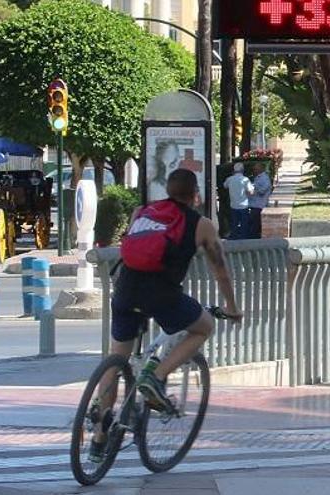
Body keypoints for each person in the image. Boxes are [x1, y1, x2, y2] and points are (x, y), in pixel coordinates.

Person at [91, 169, 243, 462]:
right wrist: (232, 307)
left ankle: (99, 435)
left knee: (117, 357)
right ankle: (156, 377)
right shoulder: (202, 225)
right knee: (204, 326)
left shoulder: (142, 212)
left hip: (125, 291)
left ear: (167, 190)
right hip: (162, 295)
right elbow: (220, 270)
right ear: (195, 194)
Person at [223, 162, 254, 240]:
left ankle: (234, 239)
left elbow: (225, 186)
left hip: (233, 205)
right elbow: (251, 192)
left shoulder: (229, 179)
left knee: (234, 224)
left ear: (234, 170)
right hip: (244, 206)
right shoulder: (245, 180)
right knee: (244, 225)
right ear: (242, 170)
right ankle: (243, 240)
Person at [248, 162, 273, 239]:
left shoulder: (264, 178)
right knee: (253, 224)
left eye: (256, 169)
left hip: (259, 205)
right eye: (254, 169)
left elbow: (263, 190)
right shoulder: (257, 177)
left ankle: (254, 240)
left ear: (261, 169)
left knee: (255, 226)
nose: (254, 170)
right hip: (255, 204)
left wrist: (254, 189)